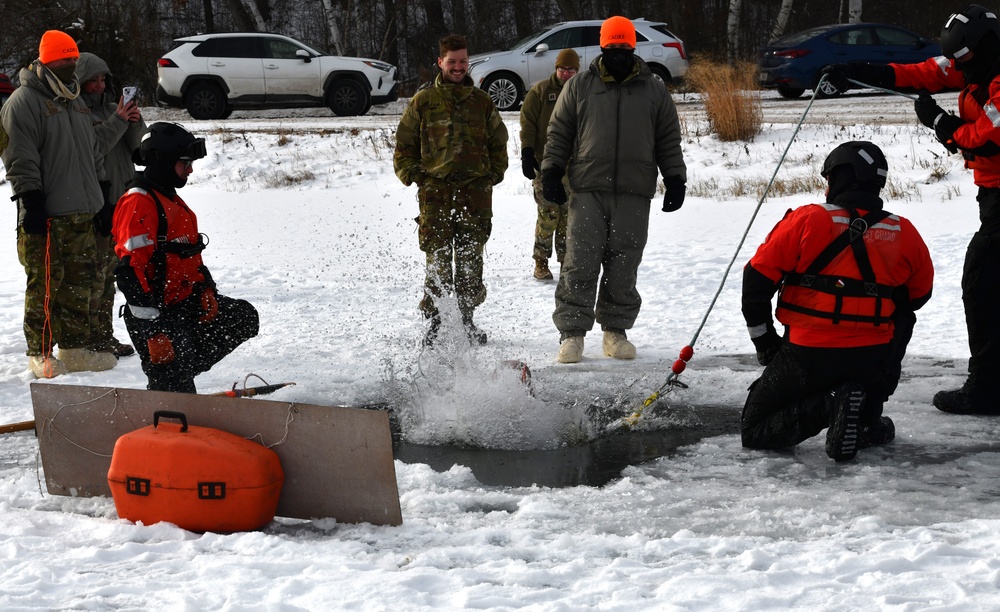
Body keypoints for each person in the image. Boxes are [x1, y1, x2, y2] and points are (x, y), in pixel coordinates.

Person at [822, 5, 1000, 414]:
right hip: (991, 196)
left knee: (984, 284)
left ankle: (989, 387)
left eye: (964, 60)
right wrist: (852, 70)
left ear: (986, 47)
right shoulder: (972, 61)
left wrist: (939, 122)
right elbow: (919, 72)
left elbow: (984, 139)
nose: (958, 68)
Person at [741, 142, 934, 461]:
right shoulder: (904, 231)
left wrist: (765, 343)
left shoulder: (806, 219)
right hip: (871, 360)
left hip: (807, 354)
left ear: (841, 178)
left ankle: (830, 404)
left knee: (756, 430)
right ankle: (865, 417)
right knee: (900, 315)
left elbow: (756, 281)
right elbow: (918, 296)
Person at [541, 16, 686, 364]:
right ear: (603, 47)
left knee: (625, 263)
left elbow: (668, 138)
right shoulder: (580, 85)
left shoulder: (653, 88)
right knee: (580, 261)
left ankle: (615, 332)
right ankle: (572, 334)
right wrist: (551, 170)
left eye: (625, 47)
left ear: (632, 48)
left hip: (634, 191)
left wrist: (675, 177)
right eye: (612, 47)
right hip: (589, 187)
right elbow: (559, 131)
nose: (619, 53)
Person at [0, 30, 117, 378]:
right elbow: (19, 157)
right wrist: (31, 200)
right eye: (65, 59)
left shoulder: (76, 100)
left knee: (80, 284)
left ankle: (75, 348)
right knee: (47, 285)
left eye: (74, 59)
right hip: (47, 212)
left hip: (85, 208)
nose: (71, 65)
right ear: (47, 60)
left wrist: (104, 195)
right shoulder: (24, 101)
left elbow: (93, 153)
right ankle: (40, 352)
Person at [112, 122, 259, 393]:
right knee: (173, 376)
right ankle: (170, 382)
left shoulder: (170, 198)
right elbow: (130, 274)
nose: (190, 170)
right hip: (157, 314)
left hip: (185, 303)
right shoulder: (139, 203)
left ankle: (177, 373)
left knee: (244, 318)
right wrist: (154, 332)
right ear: (164, 162)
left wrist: (206, 289)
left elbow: (188, 256)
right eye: (184, 163)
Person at [394, 34, 509, 347]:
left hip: (475, 195)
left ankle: (467, 320)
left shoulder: (482, 101)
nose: (458, 67)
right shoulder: (424, 101)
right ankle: (435, 323)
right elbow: (404, 144)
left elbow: (500, 141)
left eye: (463, 61)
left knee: (471, 261)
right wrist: (415, 176)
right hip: (436, 196)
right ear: (440, 63)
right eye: (452, 62)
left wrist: (493, 174)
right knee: (438, 262)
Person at [77, 52, 146, 359]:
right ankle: (90, 339)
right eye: (93, 79)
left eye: (103, 79)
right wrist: (117, 120)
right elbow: (96, 148)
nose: (99, 85)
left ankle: (103, 336)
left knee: (112, 277)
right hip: (96, 204)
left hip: (123, 201)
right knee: (94, 277)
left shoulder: (111, 109)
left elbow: (140, 149)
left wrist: (133, 120)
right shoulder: (76, 114)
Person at [520, 48, 579, 281]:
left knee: (569, 216)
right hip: (545, 163)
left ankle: (566, 261)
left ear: (577, 70)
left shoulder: (582, 91)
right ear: (555, 68)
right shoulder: (541, 91)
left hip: (575, 165)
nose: (566, 73)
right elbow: (528, 124)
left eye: (571, 69)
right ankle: (541, 261)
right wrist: (527, 152)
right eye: (562, 69)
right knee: (548, 214)